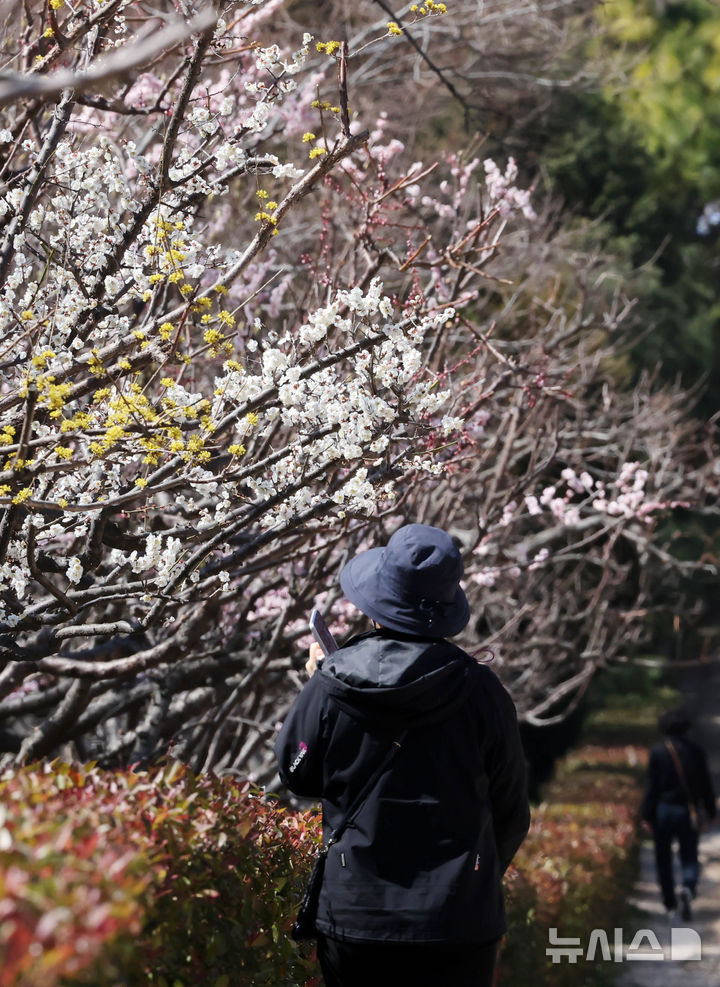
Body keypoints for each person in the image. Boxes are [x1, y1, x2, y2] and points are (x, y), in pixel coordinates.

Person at [275, 523, 530, 987]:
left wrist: (320, 680)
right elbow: (511, 809)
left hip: (356, 913)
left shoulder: (334, 683)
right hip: (458, 918)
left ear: (377, 603)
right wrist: (475, 877)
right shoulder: (481, 691)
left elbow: (299, 775)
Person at [641, 706, 717, 922]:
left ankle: (669, 902)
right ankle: (688, 887)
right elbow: (706, 786)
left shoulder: (658, 751)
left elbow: (652, 787)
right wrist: (711, 812)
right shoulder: (696, 751)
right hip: (688, 812)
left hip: (663, 811)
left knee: (663, 858)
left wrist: (646, 815)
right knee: (689, 855)